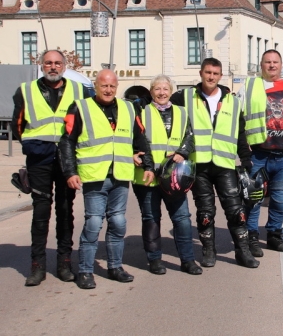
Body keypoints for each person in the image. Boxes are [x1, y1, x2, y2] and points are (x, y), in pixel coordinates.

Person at [59, 69, 155, 289]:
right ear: (96, 85)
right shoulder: (81, 107)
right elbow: (67, 142)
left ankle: (115, 267)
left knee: (118, 223)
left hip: (120, 175)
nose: (109, 90)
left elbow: (140, 139)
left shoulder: (129, 108)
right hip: (94, 177)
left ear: (117, 86)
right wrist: (70, 172)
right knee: (93, 223)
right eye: (104, 86)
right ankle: (85, 271)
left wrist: (149, 165)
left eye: (112, 86)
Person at [170, 58, 259, 269]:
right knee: (205, 212)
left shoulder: (233, 101)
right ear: (201, 73)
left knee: (236, 210)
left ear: (221, 76)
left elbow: (240, 133)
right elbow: (164, 113)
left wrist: (246, 160)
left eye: (215, 74)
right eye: (208, 73)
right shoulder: (184, 97)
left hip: (224, 163)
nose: (211, 77)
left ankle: (242, 250)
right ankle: (208, 250)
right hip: (199, 163)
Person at [11, 50, 89, 286]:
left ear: (64, 66)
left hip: (67, 159)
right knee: (40, 213)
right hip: (40, 159)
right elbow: (18, 125)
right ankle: (37, 265)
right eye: (48, 63)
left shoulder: (79, 90)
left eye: (57, 63)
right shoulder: (25, 90)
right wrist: (31, 146)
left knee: (66, 211)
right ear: (41, 65)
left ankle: (64, 262)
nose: (53, 67)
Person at [237, 49, 283, 256]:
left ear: (281, 65)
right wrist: (242, 147)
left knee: (279, 199)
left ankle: (274, 235)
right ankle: (251, 237)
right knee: (254, 198)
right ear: (261, 64)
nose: (272, 65)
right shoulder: (249, 86)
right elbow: (237, 118)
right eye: (268, 62)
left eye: (275, 62)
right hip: (258, 152)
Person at [131, 75, 202, 275]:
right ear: (151, 91)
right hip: (148, 176)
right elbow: (132, 138)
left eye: (165, 89)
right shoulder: (141, 112)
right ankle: (154, 260)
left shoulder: (181, 112)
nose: (161, 93)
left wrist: (182, 152)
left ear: (171, 91)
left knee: (182, 219)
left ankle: (188, 260)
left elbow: (190, 136)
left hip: (174, 177)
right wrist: (133, 155)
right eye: (157, 89)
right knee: (151, 218)